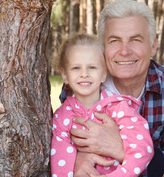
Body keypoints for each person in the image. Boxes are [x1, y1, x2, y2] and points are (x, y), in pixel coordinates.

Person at [59, 0, 164, 177]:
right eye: (114, 41)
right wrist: (76, 160)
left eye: (135, 40)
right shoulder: (80, 86)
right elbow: (62, 141)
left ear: (153, 46)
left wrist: (121, 148)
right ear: (101, 47)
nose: (125, 51)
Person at [51, 33, 154, 177]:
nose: (84, 74)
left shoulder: (118, 107)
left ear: (103, 74)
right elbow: (60, 161)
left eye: (92, 67)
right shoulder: (62, 116)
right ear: (64, 75)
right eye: (76, 68)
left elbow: (142, 149)